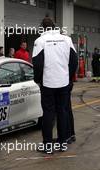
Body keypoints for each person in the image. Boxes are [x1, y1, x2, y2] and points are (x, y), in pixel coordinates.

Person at [32, 17, 78, 154]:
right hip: (63, 83)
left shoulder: (40, 41)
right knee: (62, 111)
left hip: (48, 83)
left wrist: (38, 80)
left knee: (48, 113)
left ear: (42, 28)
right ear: (54, 26)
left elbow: (38, 64)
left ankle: (47, 145)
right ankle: (62, 143)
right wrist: (68, 77)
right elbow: (74, 61)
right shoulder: (67, 39)